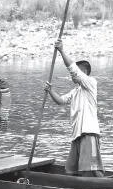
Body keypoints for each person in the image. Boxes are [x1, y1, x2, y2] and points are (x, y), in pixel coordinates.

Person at [44, 39, 104, 177]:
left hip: (88, 132)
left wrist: (61, 51)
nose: (73, 76)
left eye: (78, 72)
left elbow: (73, 70)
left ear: (84, 73)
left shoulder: (91, 83)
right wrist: (50, 91)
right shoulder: (75, 91)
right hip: (77, 134)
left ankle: (105, 186)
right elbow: (61, 101)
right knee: (72, 169)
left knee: (92, 167)